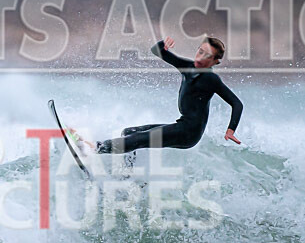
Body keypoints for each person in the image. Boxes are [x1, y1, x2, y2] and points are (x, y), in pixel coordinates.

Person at [86, 35, 243, 155]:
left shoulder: (211, 79)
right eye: (200, 51)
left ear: (215, 61)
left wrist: (231, 130)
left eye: (207, 56)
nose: (200, 57)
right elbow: (157, 51)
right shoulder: (188, 66)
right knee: (129, 133)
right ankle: (127, 176)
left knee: (138, 140)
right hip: (181, 125)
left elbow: (237, 104)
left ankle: (94, 149)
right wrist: (164, 44)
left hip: (188, 133)